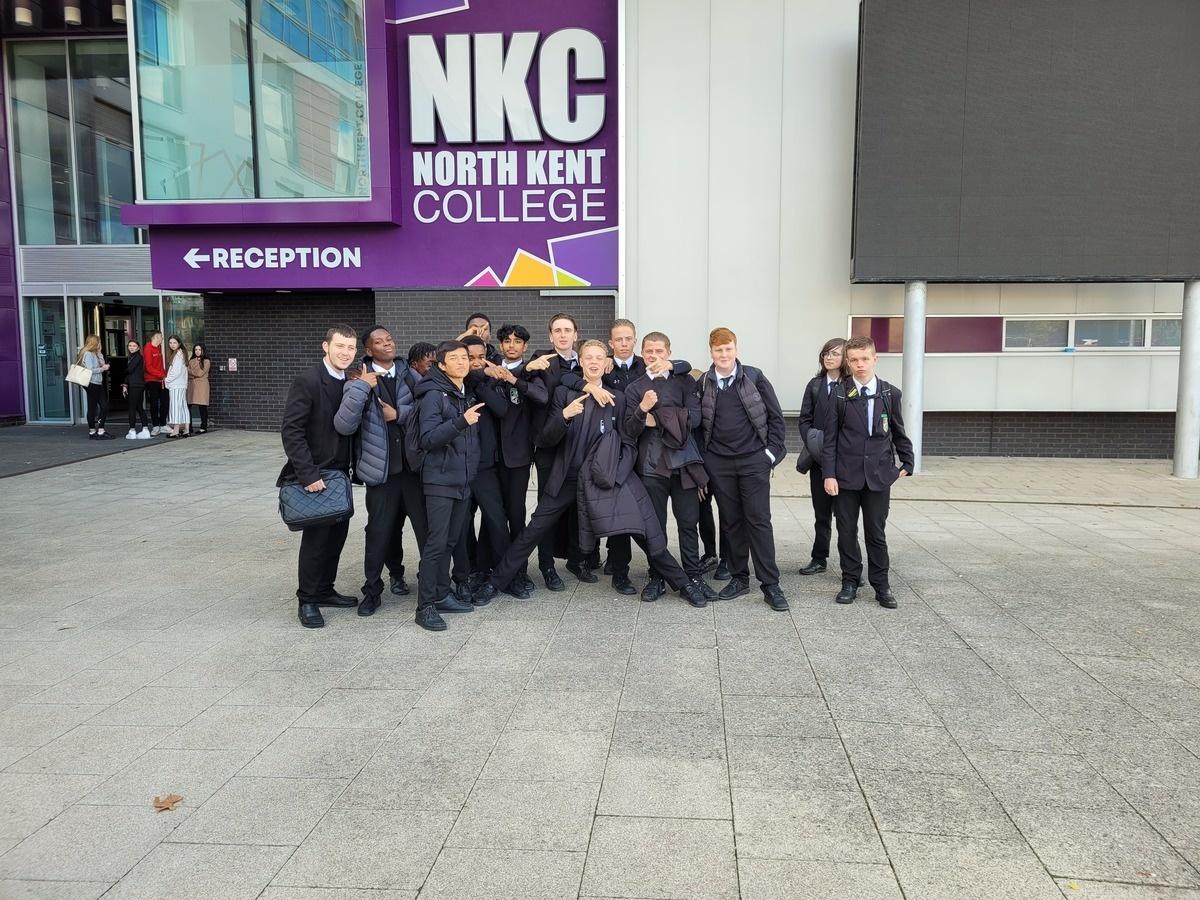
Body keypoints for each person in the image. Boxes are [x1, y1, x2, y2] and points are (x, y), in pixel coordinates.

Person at [474, 340, 708, 609]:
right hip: (568, 475)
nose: (594, 362)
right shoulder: (564, 393)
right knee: (533, 530)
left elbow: (629, 437)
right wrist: (564, 416)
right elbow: (546, 438)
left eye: (599, 357)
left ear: (605, 363)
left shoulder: (617, 398)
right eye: (589, 358)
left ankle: (685, 584)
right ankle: (495, 584)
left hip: (603, 476)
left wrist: (639, 417)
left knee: (646, 529)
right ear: (581, 362)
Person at [697, 327, 789, 611]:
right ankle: (739, 578)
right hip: (720, 463)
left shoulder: (755, 377)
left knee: (758, 520)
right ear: (711, 352)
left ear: (736, 349)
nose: (724, 355)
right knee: (732, 521)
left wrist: (770, 455)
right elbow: (699, 426)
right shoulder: (704, 382)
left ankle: (770, 584)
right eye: (718, 350)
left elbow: (776, 418)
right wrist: (706, 462)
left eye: (728, 349)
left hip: (753, 460)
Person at [821, 335, 914, 609]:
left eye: (865, 359)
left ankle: (881, 585)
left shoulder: (889, 393)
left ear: (875, 359)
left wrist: (907, 463)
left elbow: (898, 431)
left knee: (876, 532)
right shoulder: (839, 393)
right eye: (854, 360)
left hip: (878, 476)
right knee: (846, 531)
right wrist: (829, 474)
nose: (860, 364)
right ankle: (850, 581)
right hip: (846, 476)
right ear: (848, 363)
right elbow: (830, 439)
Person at [278, 324, 361, 628]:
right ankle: (308, 600)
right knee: (316, 541)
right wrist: (308, 474)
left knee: (336, 538)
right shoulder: (309, 380)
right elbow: (292, 430)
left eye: (351, 348)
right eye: (340, 346)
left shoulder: (349, 381)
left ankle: (325, 589)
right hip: (316, 474)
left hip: (340, 474)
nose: (345, 353)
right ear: (325, 346)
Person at [333, 326, 419, 617]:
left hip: (414, 470)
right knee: (379, 532)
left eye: (390, 340)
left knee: (426, 530)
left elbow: (429, 411)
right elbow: (344, 425)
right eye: (379, 342)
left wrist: (399, 415)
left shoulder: (411, 375)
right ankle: (372, 589)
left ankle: (431, 585)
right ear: (368, 350)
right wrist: (361, 388)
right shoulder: (357, 380)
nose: (387, 345)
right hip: (380, 473)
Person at [624, 331, 716, 601]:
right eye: (649, 352)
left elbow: (696, 419)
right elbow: (630, 430)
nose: (654, 356)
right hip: (651, 467)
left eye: (659, 351)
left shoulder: (684, 381)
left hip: (683, 464)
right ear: (642, 353)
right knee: (655, 526)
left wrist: (658, 418)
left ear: (668, 353)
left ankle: (694, 575)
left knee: (689, 523)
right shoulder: (635, 387)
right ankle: (657, 576)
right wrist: (642, 410)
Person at [413, 341, 486, 632]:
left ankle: (442, 594)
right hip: (439, 480)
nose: (462, 362)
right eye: (454, 358)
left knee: (452, 541)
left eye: (465, 358)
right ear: (441, 365)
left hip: (462, 479)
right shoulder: (434, 395)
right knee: (436, 543)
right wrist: (461, 421)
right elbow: (427, 439)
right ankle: (425, 606)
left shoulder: (462, 391)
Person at [523, 313, 590, 589]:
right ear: (551, 337)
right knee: (547, 509)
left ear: (576, 334)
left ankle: (577, 559)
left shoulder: (587, 360)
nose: (563, 335)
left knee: (578, 506)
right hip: (550, 444)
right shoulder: (541, 362)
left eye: (568, 330)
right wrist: (528, 368)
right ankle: (547, 565)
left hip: (579, 445)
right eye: (557, 331)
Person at [480, 323, 546, 596]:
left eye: (517, 341)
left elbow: (540, 397)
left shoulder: (533, 371)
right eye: (506, 340)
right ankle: (487, 567)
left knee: (516, 515)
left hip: (518, 455)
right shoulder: (487, 368)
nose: (511, 345)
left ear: (525, 346)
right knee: (492, 516)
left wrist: (515, 377)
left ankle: (518, 571)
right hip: (488, 456)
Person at [450, 335, 516, 597]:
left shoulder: (488, 380)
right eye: (470, 358)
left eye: (480, 357)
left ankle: (504, 575)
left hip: (485, 466)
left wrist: (482, 381)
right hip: (459, 466)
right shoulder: (453, 384)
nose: (476, 363)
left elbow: (502, 409)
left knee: (497, 521)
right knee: (462, 524)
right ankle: (470, 573)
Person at [797, 338, 848, 577]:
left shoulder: (851, 386)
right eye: (826, 353)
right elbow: (804, 419)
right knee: (822, 513)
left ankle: (850, 564)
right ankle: (819, 558)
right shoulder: (815, 385)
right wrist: (814, 442)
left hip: (845, 462)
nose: (829, 357)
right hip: (818, 459)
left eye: (835, 354)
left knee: (846, 516)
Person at [76, 335, 113, 440]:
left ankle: (96, 431)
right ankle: (95, 430)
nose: (100, 343)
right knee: (98, 406)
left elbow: (102, 363)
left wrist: (100, 353)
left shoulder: (95, 353)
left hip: (96, 383)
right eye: (99, 342)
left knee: (98, 406)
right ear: (94, 342)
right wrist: (103, 368)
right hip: (92, 383)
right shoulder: (88, 354)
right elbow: (90, 370)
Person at [121, 339, 151, 439]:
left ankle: (132, 430)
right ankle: (145, 429)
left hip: (135, 385)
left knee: (132, 408)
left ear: (138, 348)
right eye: (130, 346)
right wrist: (125, 384)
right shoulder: (133, 357)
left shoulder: (138, 357)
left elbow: (129, 370)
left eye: (134, 346)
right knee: (138, 407)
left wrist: (121, 370)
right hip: (137, 385)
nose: (131, 347)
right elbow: (129, 373)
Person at [164, 335, 190, 438]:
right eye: (170, 343)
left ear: (179, 343)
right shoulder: (182, 353)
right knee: (183, 407)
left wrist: (166, 379)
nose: (172, 345)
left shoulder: (178, 355)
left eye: (174, 342)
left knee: (175, 407)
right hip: (181, 385)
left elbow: (176, 372)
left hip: (176, 385)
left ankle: (175, 430)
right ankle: (186, 429)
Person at [144, 332, 167, 435]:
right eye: (161, 337)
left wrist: (164, 375)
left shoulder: (159, 347)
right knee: (154, 404)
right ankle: (155, 426)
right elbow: (148, 367)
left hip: (161, 380)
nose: (162, 338)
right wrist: (161, 375)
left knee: (165, 402)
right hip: (152, 380)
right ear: (156, 337)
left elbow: (160, 365)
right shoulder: (148, 348)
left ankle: (163, 424)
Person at [187, 343, 212, 433]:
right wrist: (193, 374)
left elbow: (200, 373)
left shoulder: (206, 361)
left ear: (203, 350)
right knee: (188, 406)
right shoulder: (191, 361)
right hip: (192, 385)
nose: (197, 352)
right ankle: (189, 427)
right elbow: (189, 375)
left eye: (199, 350)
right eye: (196, 350)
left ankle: (203, 427)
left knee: (202, 407)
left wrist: (189, 371)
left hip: (202, 386)